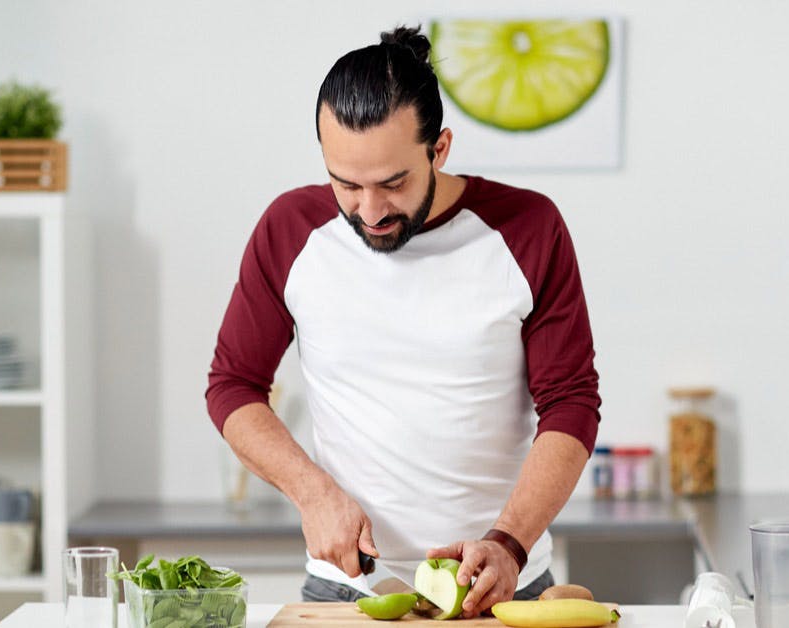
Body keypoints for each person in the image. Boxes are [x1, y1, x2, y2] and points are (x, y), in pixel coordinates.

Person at [205, 25, 600, 618]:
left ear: (439, 149)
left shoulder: (528, 228)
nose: (369, 211)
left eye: (393, 183)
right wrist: (312, 493)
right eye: (346, 183)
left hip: (502, 585)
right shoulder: (290, 230)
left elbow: (571, 402)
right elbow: (233, 386)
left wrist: (508, 543)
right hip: (347, 591)